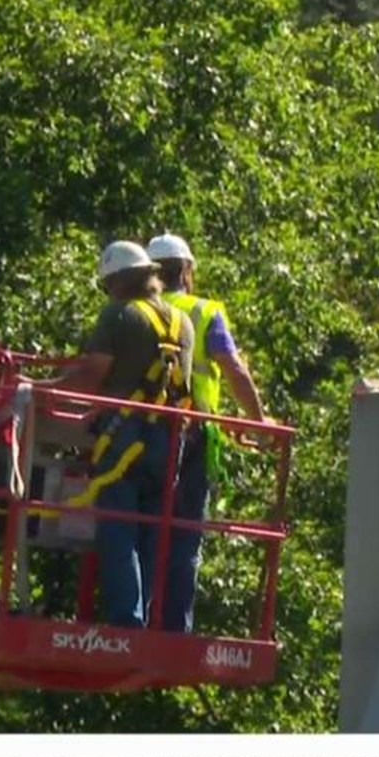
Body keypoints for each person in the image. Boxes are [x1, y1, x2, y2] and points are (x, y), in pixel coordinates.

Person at [32, 240, 195, 629]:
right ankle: (147, 616)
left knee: (118, 524)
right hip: (170, 439)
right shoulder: (181, 322)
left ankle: (127, 619)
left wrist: (42, 390)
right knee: (154, 530)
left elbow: (92, 374)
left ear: (118, 281)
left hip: (124, 438)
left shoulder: (119, 315)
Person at [145, 232, 267, 634]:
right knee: (184, 534)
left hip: (137, 432)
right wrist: (258, 422)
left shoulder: (134, 311)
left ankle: (135, 621)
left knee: (140, 524)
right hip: (192, 432)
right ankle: (174, 628)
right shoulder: (203, 311)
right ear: (188, 271)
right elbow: (233, 369)